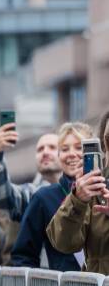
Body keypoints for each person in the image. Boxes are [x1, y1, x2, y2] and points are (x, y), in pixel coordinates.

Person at [11, 122, 91, 271]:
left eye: (79, 147)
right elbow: (23, 255)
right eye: (64, 149)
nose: (71, 153)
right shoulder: (43, 197)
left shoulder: (103, 191)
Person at [47, 112, 109, 274]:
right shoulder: (97, 189)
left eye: (78, 147)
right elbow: (63, 243)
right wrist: (77, 200)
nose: (72, 154)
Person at [0, 124, 60, 221]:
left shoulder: (79, 190)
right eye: (40, 149)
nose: (45, 152)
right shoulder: (33, 195)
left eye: (52, 147)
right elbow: (1, 195)